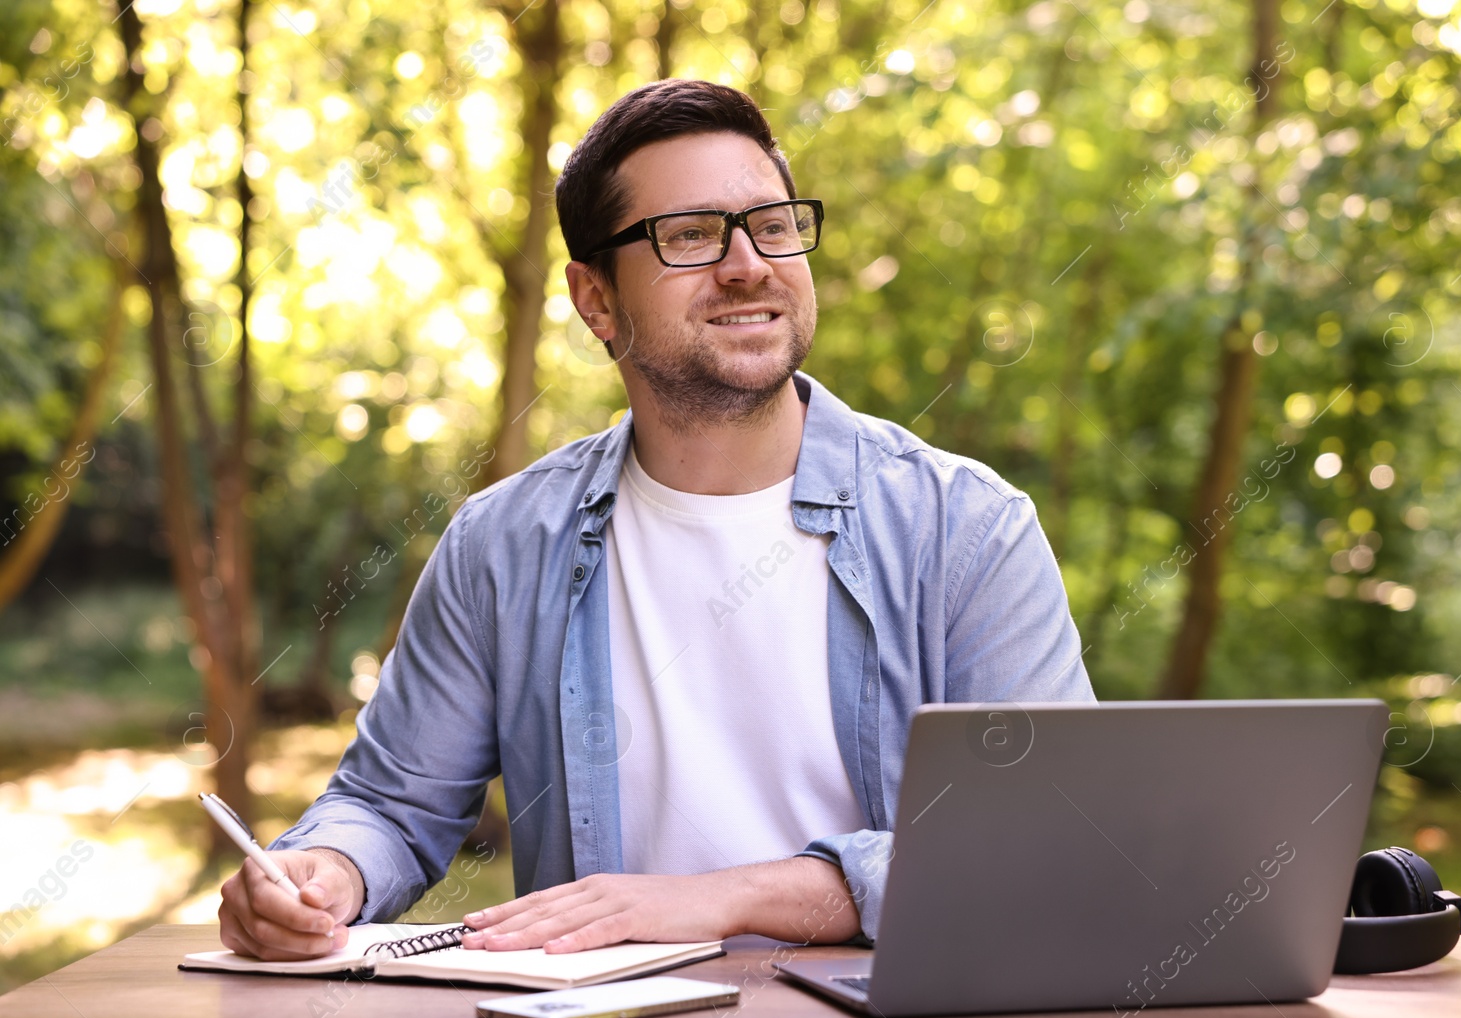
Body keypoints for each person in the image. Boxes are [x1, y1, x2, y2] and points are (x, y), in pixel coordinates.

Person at [218, 79, 1094, 961]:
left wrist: (724, 900)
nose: (748, 263)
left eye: (774, 224)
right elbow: (387, 805)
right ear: (595, 298)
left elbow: (1043, 845)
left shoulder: (967, 532)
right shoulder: (502, 546)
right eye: (689, 236)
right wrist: (324, 870)